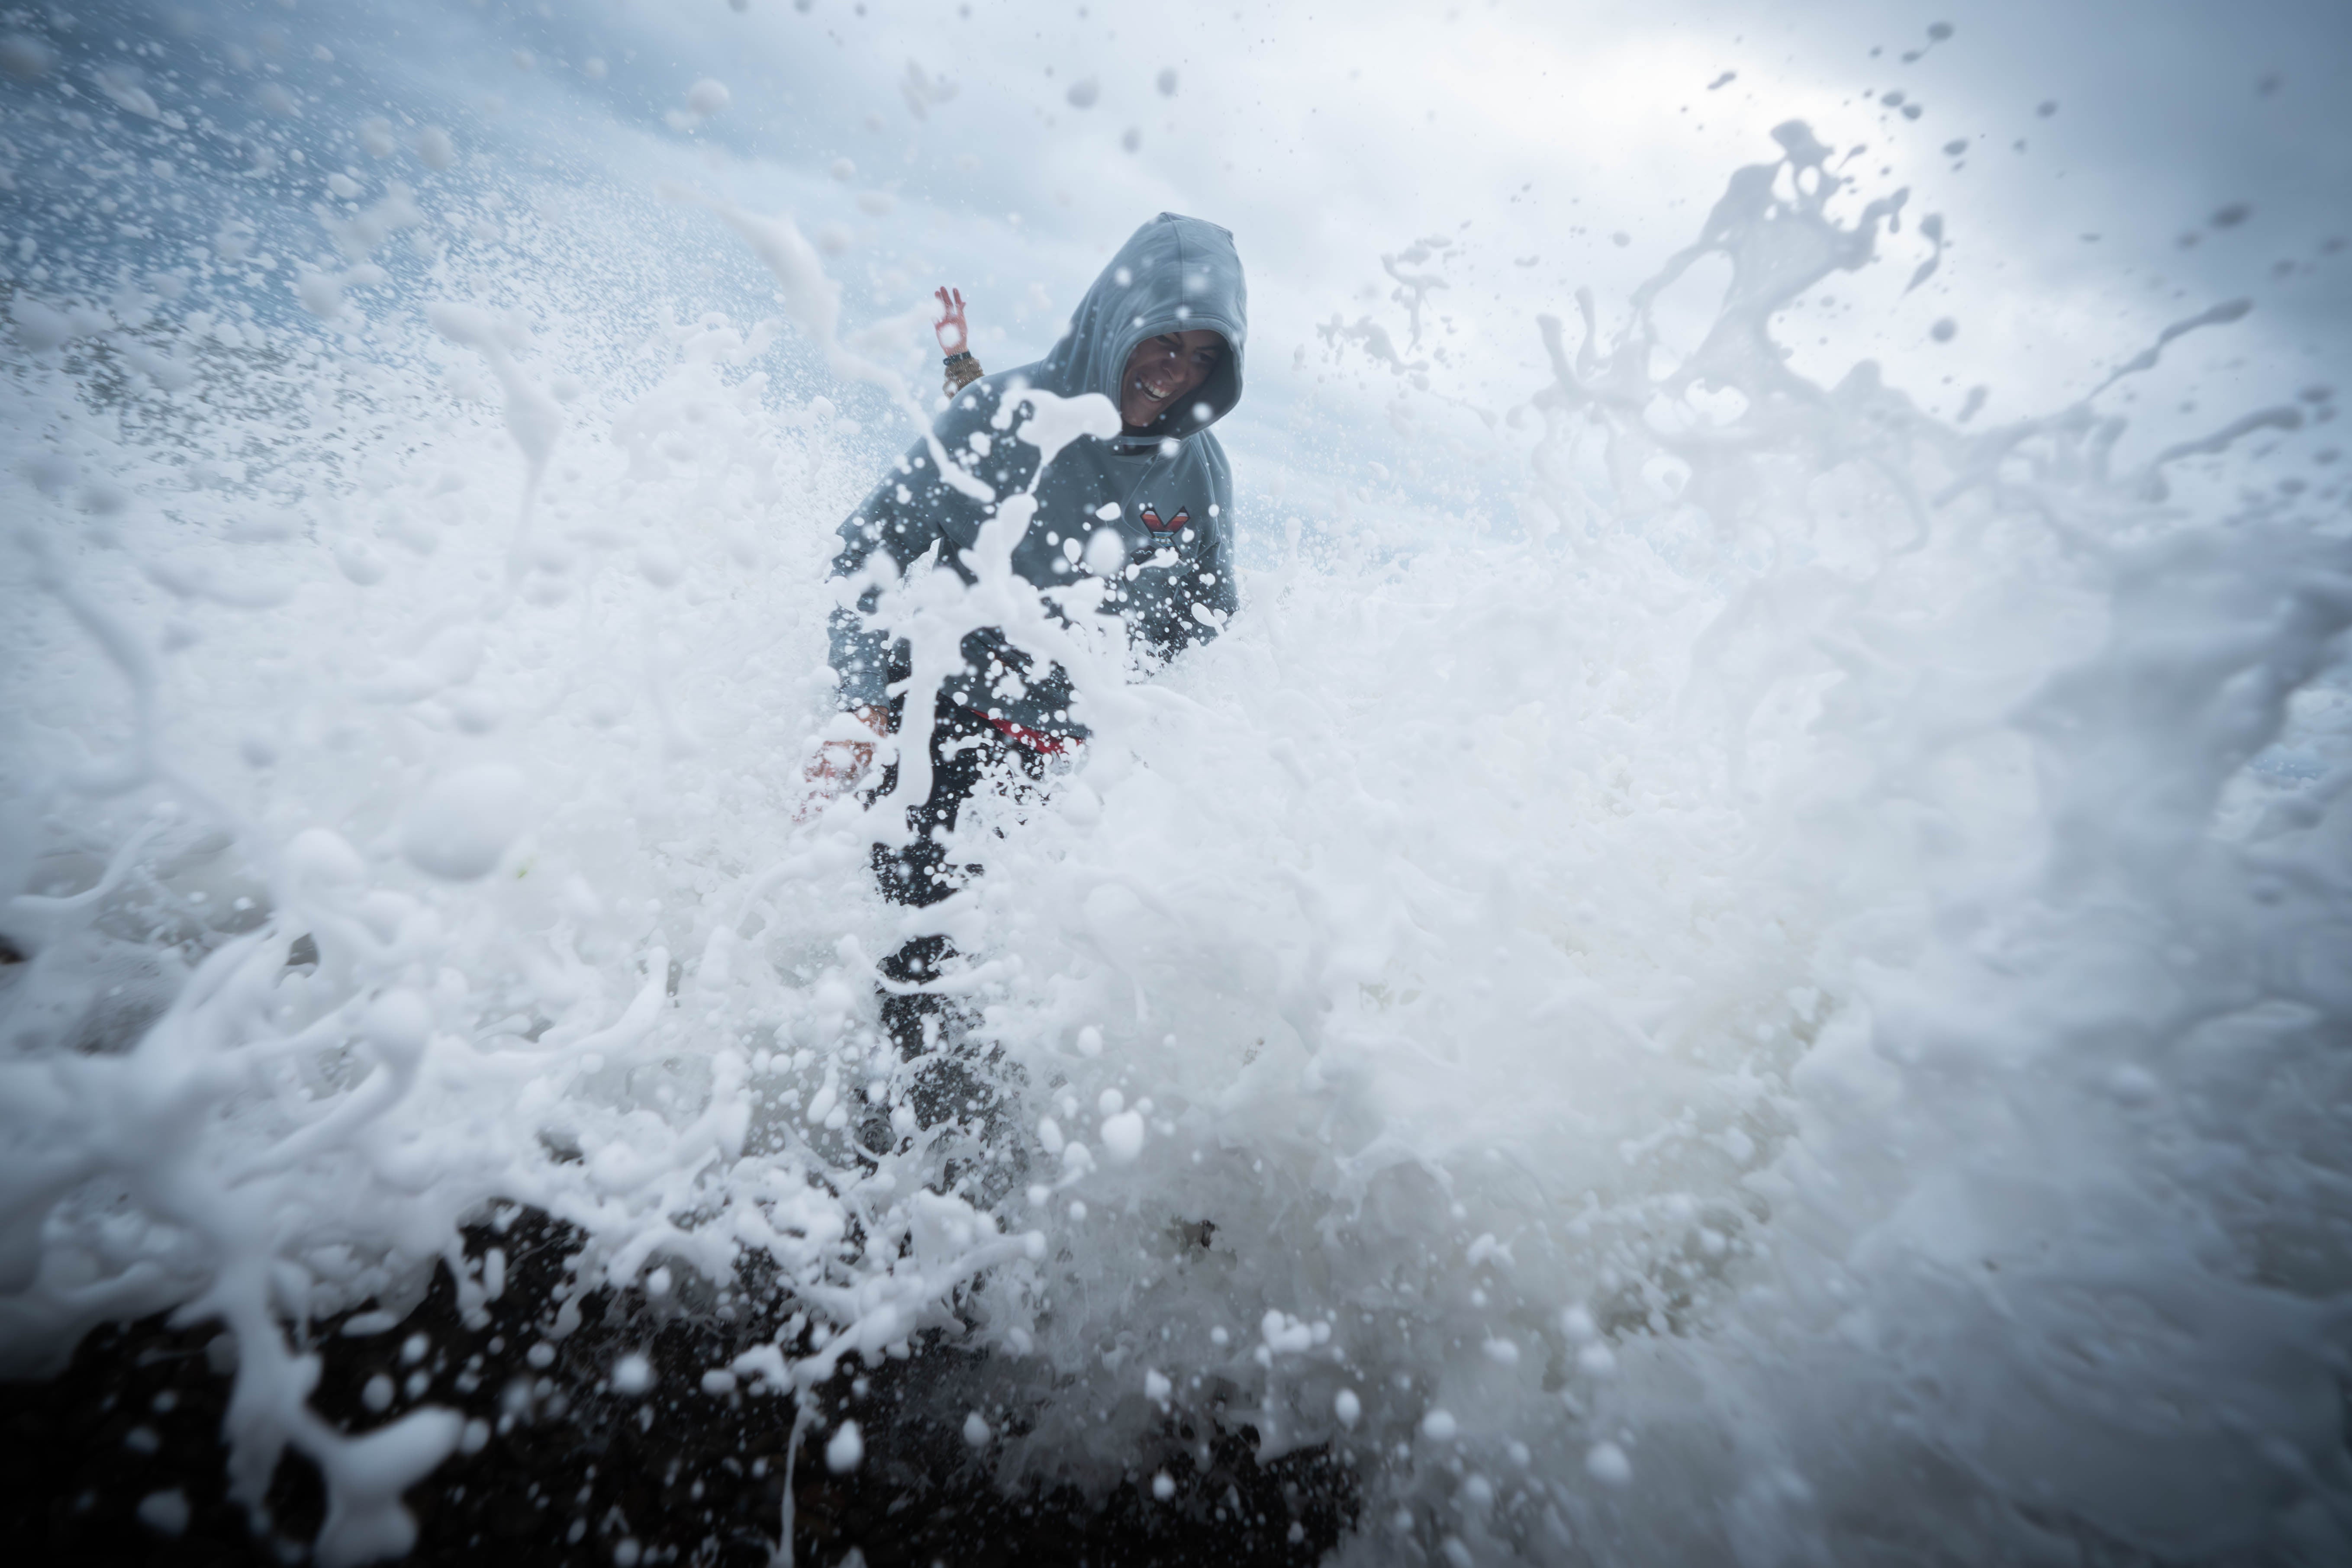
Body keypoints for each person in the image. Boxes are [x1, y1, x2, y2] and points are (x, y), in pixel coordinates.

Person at [806, 213, 1248, 1133]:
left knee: (1012, 985)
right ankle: (874, 1193)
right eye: (1160, 341)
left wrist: (1121, 703)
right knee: (918, 966)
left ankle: (971, 1183)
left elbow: (1205, 609)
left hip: (1051, 767)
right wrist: (861, 703)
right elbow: (865, 553)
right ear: (1114, 322)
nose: (1176, 370)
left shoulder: (1197, 472)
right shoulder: (998, 415)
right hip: (932, 726)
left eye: (1202, 356)